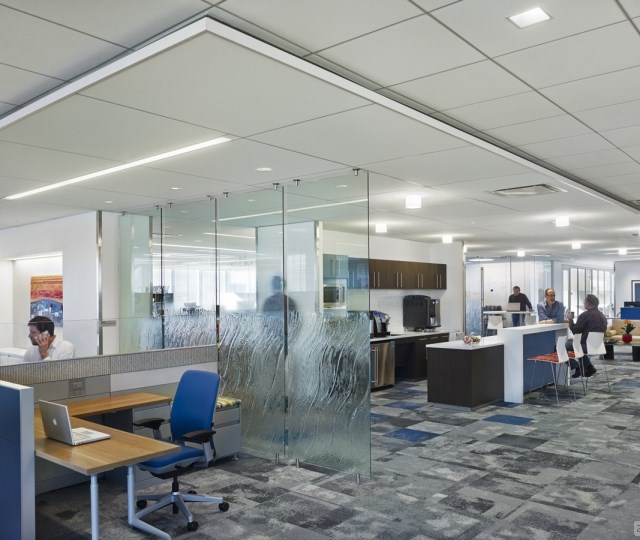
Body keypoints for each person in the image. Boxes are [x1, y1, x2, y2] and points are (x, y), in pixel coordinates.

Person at [566, 294, 607, 378]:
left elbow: (575, 331)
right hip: (599, 346)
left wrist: (570, 319)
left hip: (587, 346)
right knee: (577, 345)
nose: (583, 303)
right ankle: (589, 367)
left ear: (588, 303)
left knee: (562, 346)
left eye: (584, 301)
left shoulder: (585, 315)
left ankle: (577, 367)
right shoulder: (603, 316)